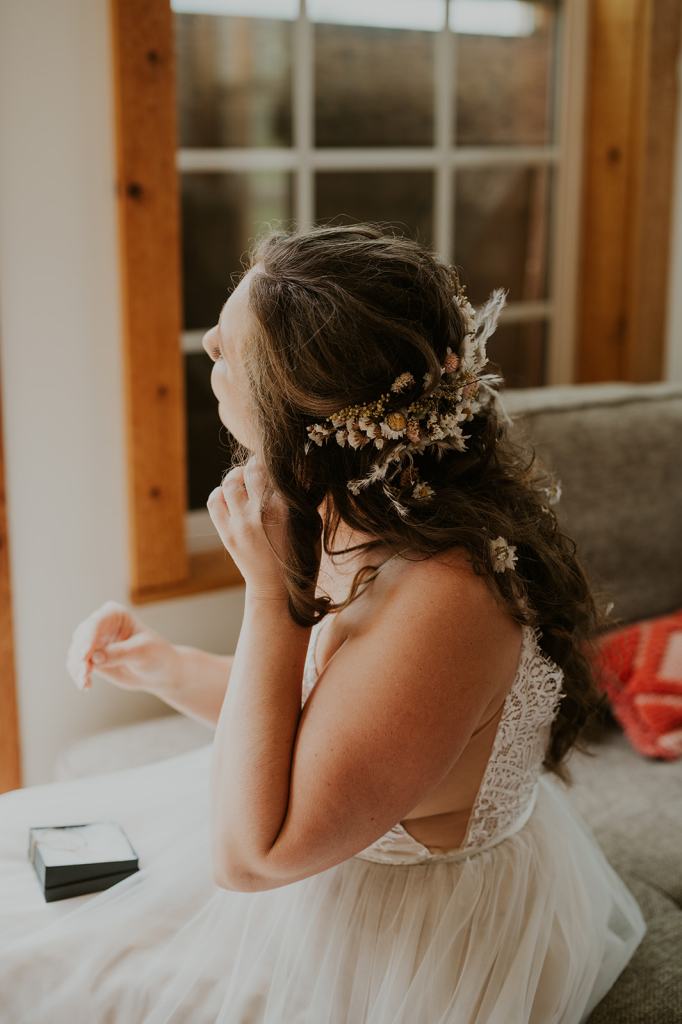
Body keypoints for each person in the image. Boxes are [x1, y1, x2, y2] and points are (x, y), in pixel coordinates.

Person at [0, 223, 646, 1022]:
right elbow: (317, 721)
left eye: (234, 347)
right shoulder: (359, 500)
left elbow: (252, 857)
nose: (208, 347)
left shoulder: (448, 599)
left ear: (311, 405)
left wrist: (267, 597)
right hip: (324, 844)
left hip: (413, 945)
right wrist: (162, 662)